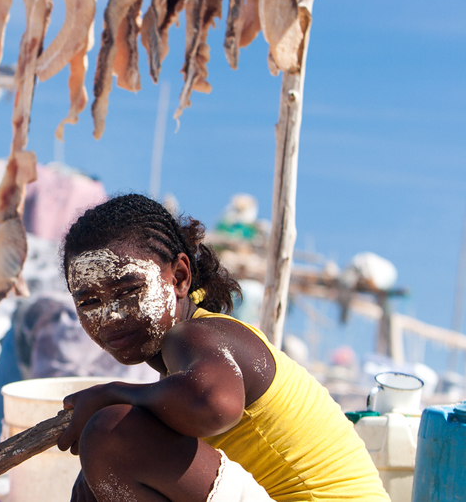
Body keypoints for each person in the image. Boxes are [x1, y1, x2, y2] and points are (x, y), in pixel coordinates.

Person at [57, 194, 389, 502]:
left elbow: (214, 404)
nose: (111, 315)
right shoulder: (180, 366)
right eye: (88, 302)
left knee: (113, 436)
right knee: (91, 480)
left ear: (179, 277)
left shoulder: (198, 335)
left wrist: (114, 394)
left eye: (129, 291)